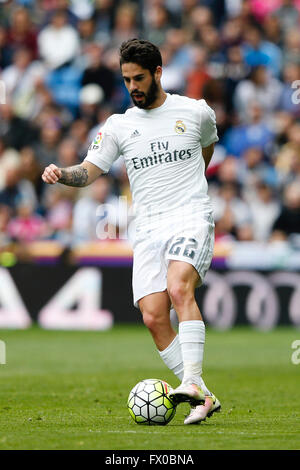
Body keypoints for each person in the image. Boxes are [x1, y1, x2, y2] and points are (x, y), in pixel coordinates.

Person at [42, 38, 221, 425]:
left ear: (158, 72)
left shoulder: (195, 112)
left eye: (139, 78)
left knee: (178, 289)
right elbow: (89, 171)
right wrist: (62, 174)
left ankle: (190, 381)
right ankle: (204, 396)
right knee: (154, 317)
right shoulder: (119, 125)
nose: (132, 87)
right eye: (126, 80)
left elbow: (206, 151)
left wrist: (192, 184)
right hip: (148, 227)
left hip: (189, 214)